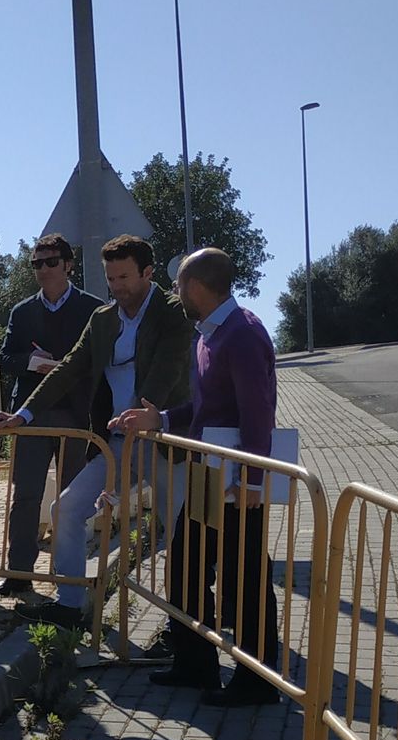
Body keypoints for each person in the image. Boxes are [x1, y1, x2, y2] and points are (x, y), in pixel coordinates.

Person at [0, 235, 192, 629]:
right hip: (115, 443)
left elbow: (171, 363)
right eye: (110, 278)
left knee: (182, 530)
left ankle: (184, 626)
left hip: (165, 441)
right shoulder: (102, 319)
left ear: (148, 273)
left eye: (124, 277)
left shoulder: (173, 311)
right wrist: (25, 414)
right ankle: (71, 605)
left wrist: (148, 409)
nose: (116, 287)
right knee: (65, 509)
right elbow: (69, 367)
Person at [114, 247, 281, 707]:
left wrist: (251, 480)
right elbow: (204, 411)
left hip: (236, 482)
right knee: (185, 563)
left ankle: (258, 680)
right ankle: (195, 663)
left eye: (178, 285)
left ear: (195, 286)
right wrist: (161, 420)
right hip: (211, 475)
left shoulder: (242, 334)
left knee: (244, 576)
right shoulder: (210, 334)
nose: (175, 293)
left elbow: (258, 414)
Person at [0, 234, 102, 594]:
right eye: (37, 263)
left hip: (76, 416)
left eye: (51, 262)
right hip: (31, 415)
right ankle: (19, 575)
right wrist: (32, 362)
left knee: (72, 501)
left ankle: (67, 577)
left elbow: (102, 362)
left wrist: (69, 369)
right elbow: (5, 358)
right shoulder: (22, 311)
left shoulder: (93, 309)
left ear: (69, 265)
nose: (43, 269)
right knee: (26, 495)